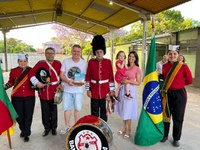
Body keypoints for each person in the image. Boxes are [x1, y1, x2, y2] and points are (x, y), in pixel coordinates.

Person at [161, 45, 193, 147]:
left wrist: (179, 84)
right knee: (166, 115)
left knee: (178, 117)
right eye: (170, 53)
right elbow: (164, 78)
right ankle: (165, 135)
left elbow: (189, 80)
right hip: (167, 93)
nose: (172, 55)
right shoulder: (164, 66)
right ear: (168, 55)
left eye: (174, 54)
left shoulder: (183, 66)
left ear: (178, 55)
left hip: (180, 94)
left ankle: (176, 138)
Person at [29, 47, 62, 137]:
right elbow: (31, 73)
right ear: (45, 54)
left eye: (52, 53)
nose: (50, 55)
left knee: (54, 111)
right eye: (48, 53)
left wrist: (60, 84)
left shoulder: (58, 64)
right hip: (43, 91)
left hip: (54, 91)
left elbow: (62, 75)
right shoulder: (40, 63)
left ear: (54, 54)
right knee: (45, 111)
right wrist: (37, 83)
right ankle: (47, 128)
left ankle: (54, 128)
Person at [4, 54, 35, 142]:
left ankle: (26, 133)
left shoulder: (31, 70)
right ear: (18, 62)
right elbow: (11, 82)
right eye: (21, 61)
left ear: (27, 62)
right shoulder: (13, 71)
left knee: (28, 115)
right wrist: (3, 88)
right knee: (18, 116)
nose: (23, 63)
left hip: (29, 96)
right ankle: (23, 130)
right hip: (17, 97)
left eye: (25, 61)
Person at [85, 35, 115, 122]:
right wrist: (88, 89)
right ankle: (95, 128)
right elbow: (88, 76)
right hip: (94, 90)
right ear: (95, 52)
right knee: (94, 112)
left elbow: (111, 77)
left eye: (101, 52)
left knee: (103, 112)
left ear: (103, 52)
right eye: (97, 52)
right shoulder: (91, 62)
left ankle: (103, 128)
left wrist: (112, 90)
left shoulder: (108, 62)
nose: (99, 54)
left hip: (105, 91)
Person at [59, 44, 87, 134]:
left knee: (78, 109)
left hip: (78, 90)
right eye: (74, 51)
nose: (76, 53)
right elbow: (61, 74)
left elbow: (83, 77)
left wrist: (80, 82)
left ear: (80, 52)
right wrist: (67, 81)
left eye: (78, 51)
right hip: (67, 89)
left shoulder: (84, 63)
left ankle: (76, 127)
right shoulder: (66, 61)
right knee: (67, 108)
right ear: (71, 51)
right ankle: (67, 126)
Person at [114, 51, 142, 139]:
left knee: (128, 110)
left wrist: (128, 81)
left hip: (130, 91)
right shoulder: (125, 66)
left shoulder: (137, 68)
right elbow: (120, 75)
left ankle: (128, 130)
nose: (131, 58)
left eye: (133, 57)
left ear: (136, 58)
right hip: (122, 89)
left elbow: (138, 82)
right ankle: (124, 128)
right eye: (129, 56)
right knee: (123, 109)